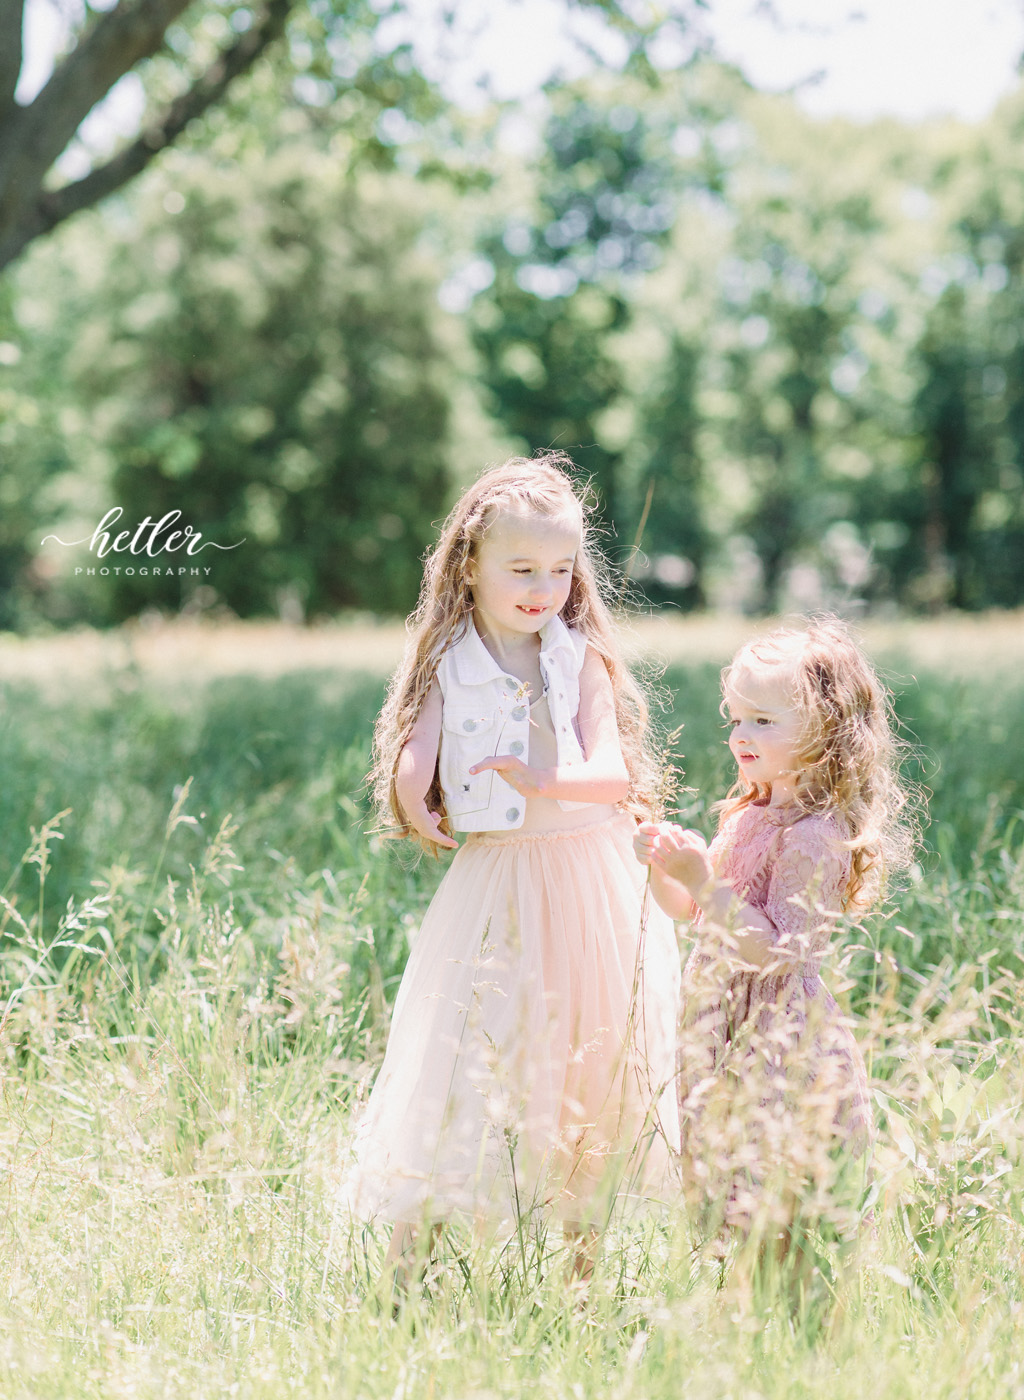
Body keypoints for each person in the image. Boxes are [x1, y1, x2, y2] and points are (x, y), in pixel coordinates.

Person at [344, 453, 679, 1283]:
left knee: (587, 1064)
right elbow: (417, 743)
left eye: (561, 570)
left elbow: (614, 774)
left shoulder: (579, 659)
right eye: (521, 568)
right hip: (498, 878)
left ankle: (581, 1272)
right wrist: (411, 781)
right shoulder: (449, 658)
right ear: (470, 565)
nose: (543, 587)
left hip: (589, 875)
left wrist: (542, 778)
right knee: (466, 1052)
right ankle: (406, 1269)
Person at [634, 619, 913, 1259]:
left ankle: (792, 1302)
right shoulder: (750, 813)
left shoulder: (815, 835)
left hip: (777, 1033)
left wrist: (705, 883)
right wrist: (668, 869)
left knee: (775, 1178)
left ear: (826, 732)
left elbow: (781, 950)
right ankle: (742, 1301)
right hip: (721, 1022)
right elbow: (691, 913)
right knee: (726, 1172)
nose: (739, 737)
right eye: (735, 719)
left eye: (763, 721)